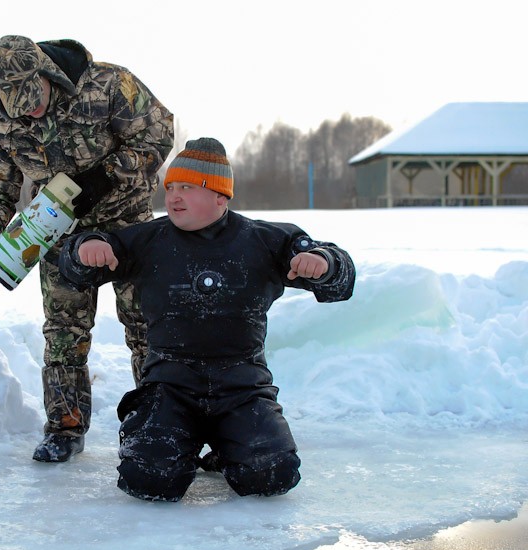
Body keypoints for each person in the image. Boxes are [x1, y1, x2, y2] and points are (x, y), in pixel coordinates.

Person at [58, 137, 355, 501]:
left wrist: (324, 264)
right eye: (169, 187)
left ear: (220, 195)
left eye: (187, 186)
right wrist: (86, 246)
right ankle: (163, 440)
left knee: (272, 475)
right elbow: (79, 266)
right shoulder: (150, 239)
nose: (173, 196)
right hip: (170, 388)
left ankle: (227, 449)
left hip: (243, 389)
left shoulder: (264, 240)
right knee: (149, 479)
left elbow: (341, 279)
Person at [0, 35, 173, 462]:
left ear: (46, 73)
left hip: (127, 227)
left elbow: (157, 134)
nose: (30, 108)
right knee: (63, 334)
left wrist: (105, 178)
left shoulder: (109, 84)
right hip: (57, 231)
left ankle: (159, 421)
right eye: (17, 102)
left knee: (147, 328)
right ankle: (65, 426)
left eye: (33, 96)